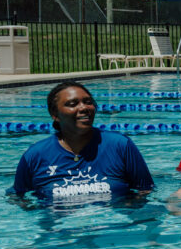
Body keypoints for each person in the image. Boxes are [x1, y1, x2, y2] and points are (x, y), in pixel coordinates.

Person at [9, 81, 154, 202]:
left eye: (88, 102)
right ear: (55, 115)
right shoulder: (35, 156)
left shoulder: (120, 146)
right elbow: (17, 196)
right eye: (72, 104)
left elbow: (146, 191)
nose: (84, 108)